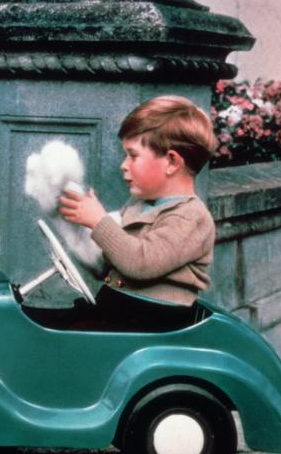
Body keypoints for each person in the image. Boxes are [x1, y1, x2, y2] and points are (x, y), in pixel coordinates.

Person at [58, 95, 217, 318]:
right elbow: (113, 256)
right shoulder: (139, 205)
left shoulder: (191, 217)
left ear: (171, 162)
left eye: (133, 156)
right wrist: (79, 229)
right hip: (122, 308)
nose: (124, 165)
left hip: (154, 318)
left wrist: (98, 221)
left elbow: (141, 263)